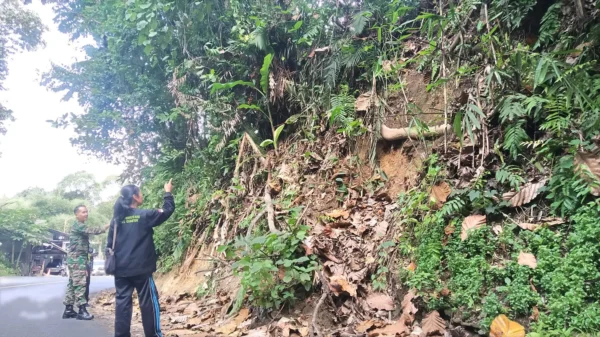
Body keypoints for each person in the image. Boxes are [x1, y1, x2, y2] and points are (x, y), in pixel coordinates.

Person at [108, 180, 175, 337]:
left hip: (121, 269)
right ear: (135, 197)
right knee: (148, 303)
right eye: (140, 192)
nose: (142, 195)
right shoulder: (144, 215)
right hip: (142, 270)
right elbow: (167, 210)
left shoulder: (116, 220)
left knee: (122, 304)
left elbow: (110, 243)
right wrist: (168, 192)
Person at [62, 205, 109, 320]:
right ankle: (82, 310)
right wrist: (109, 225)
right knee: (80, 284)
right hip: (77, 259)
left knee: (73, 283)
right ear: (76, 214)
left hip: (77, 258)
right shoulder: (78, 225)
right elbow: (94, 230)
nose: (86, 214)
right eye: (83, 212)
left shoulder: (79, 225)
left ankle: (68, 309)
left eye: (87, 212)